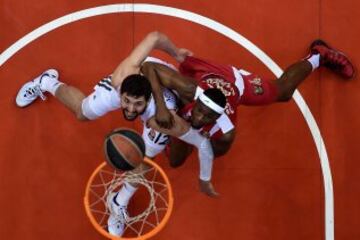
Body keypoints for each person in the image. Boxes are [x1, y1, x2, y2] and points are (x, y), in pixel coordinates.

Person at [15, 31, 217, 236]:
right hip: (137, 75)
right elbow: (154, 37)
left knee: (146, 158)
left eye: (137, 105)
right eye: (126, 102)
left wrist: (205, 178)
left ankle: (119, 201)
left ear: (147, 101)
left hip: (161, 93)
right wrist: (177, 53)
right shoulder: (121, 79)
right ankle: (46, 81)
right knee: (83, 112)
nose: (130, 109)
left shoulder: (164, 120)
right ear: (121, 94)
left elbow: (202, 144)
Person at [141, 39, 355, 190]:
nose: (198, 118)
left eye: (206, 118)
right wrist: (161, 106)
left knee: (284, 92)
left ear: (216, 119)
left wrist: (189, 134)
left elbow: (204, 152)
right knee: (178, 138)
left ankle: (318, 55)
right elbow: (149, 66)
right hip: (212, 75)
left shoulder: (225, 133)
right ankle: (177, 121)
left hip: (237, 84)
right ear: (195, 102)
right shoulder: (189, 90)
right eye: (198, 112)